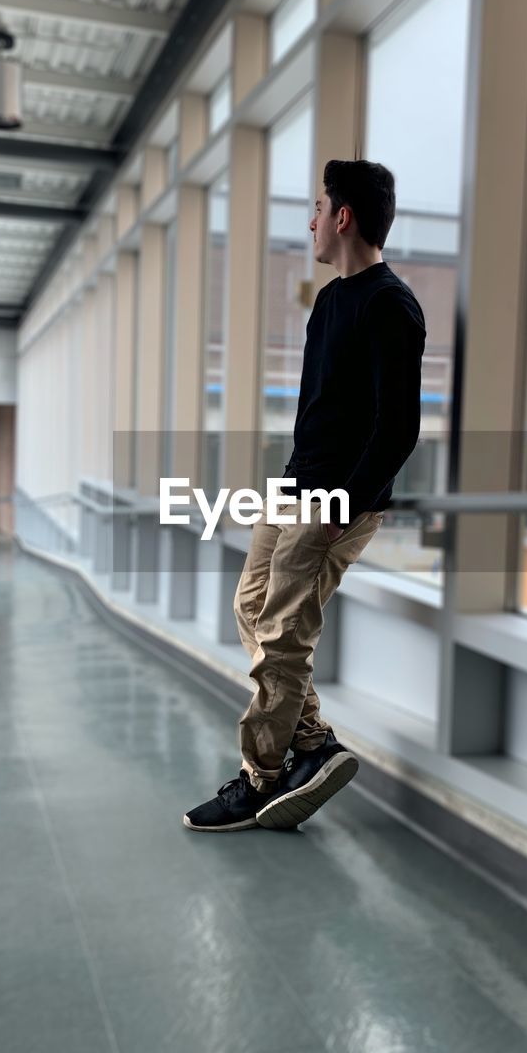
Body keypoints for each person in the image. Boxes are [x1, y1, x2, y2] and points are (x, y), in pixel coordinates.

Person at [183, 159, 425, 833]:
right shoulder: (330, 301)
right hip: (294, 487)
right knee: (252, 610)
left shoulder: (391, 305)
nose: (311, 222)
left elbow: (397, 428)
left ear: (343, 216)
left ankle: (260, 781)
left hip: (332, 503)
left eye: (318, 208)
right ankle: (313, 743)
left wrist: (336, 508)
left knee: (283, 638)